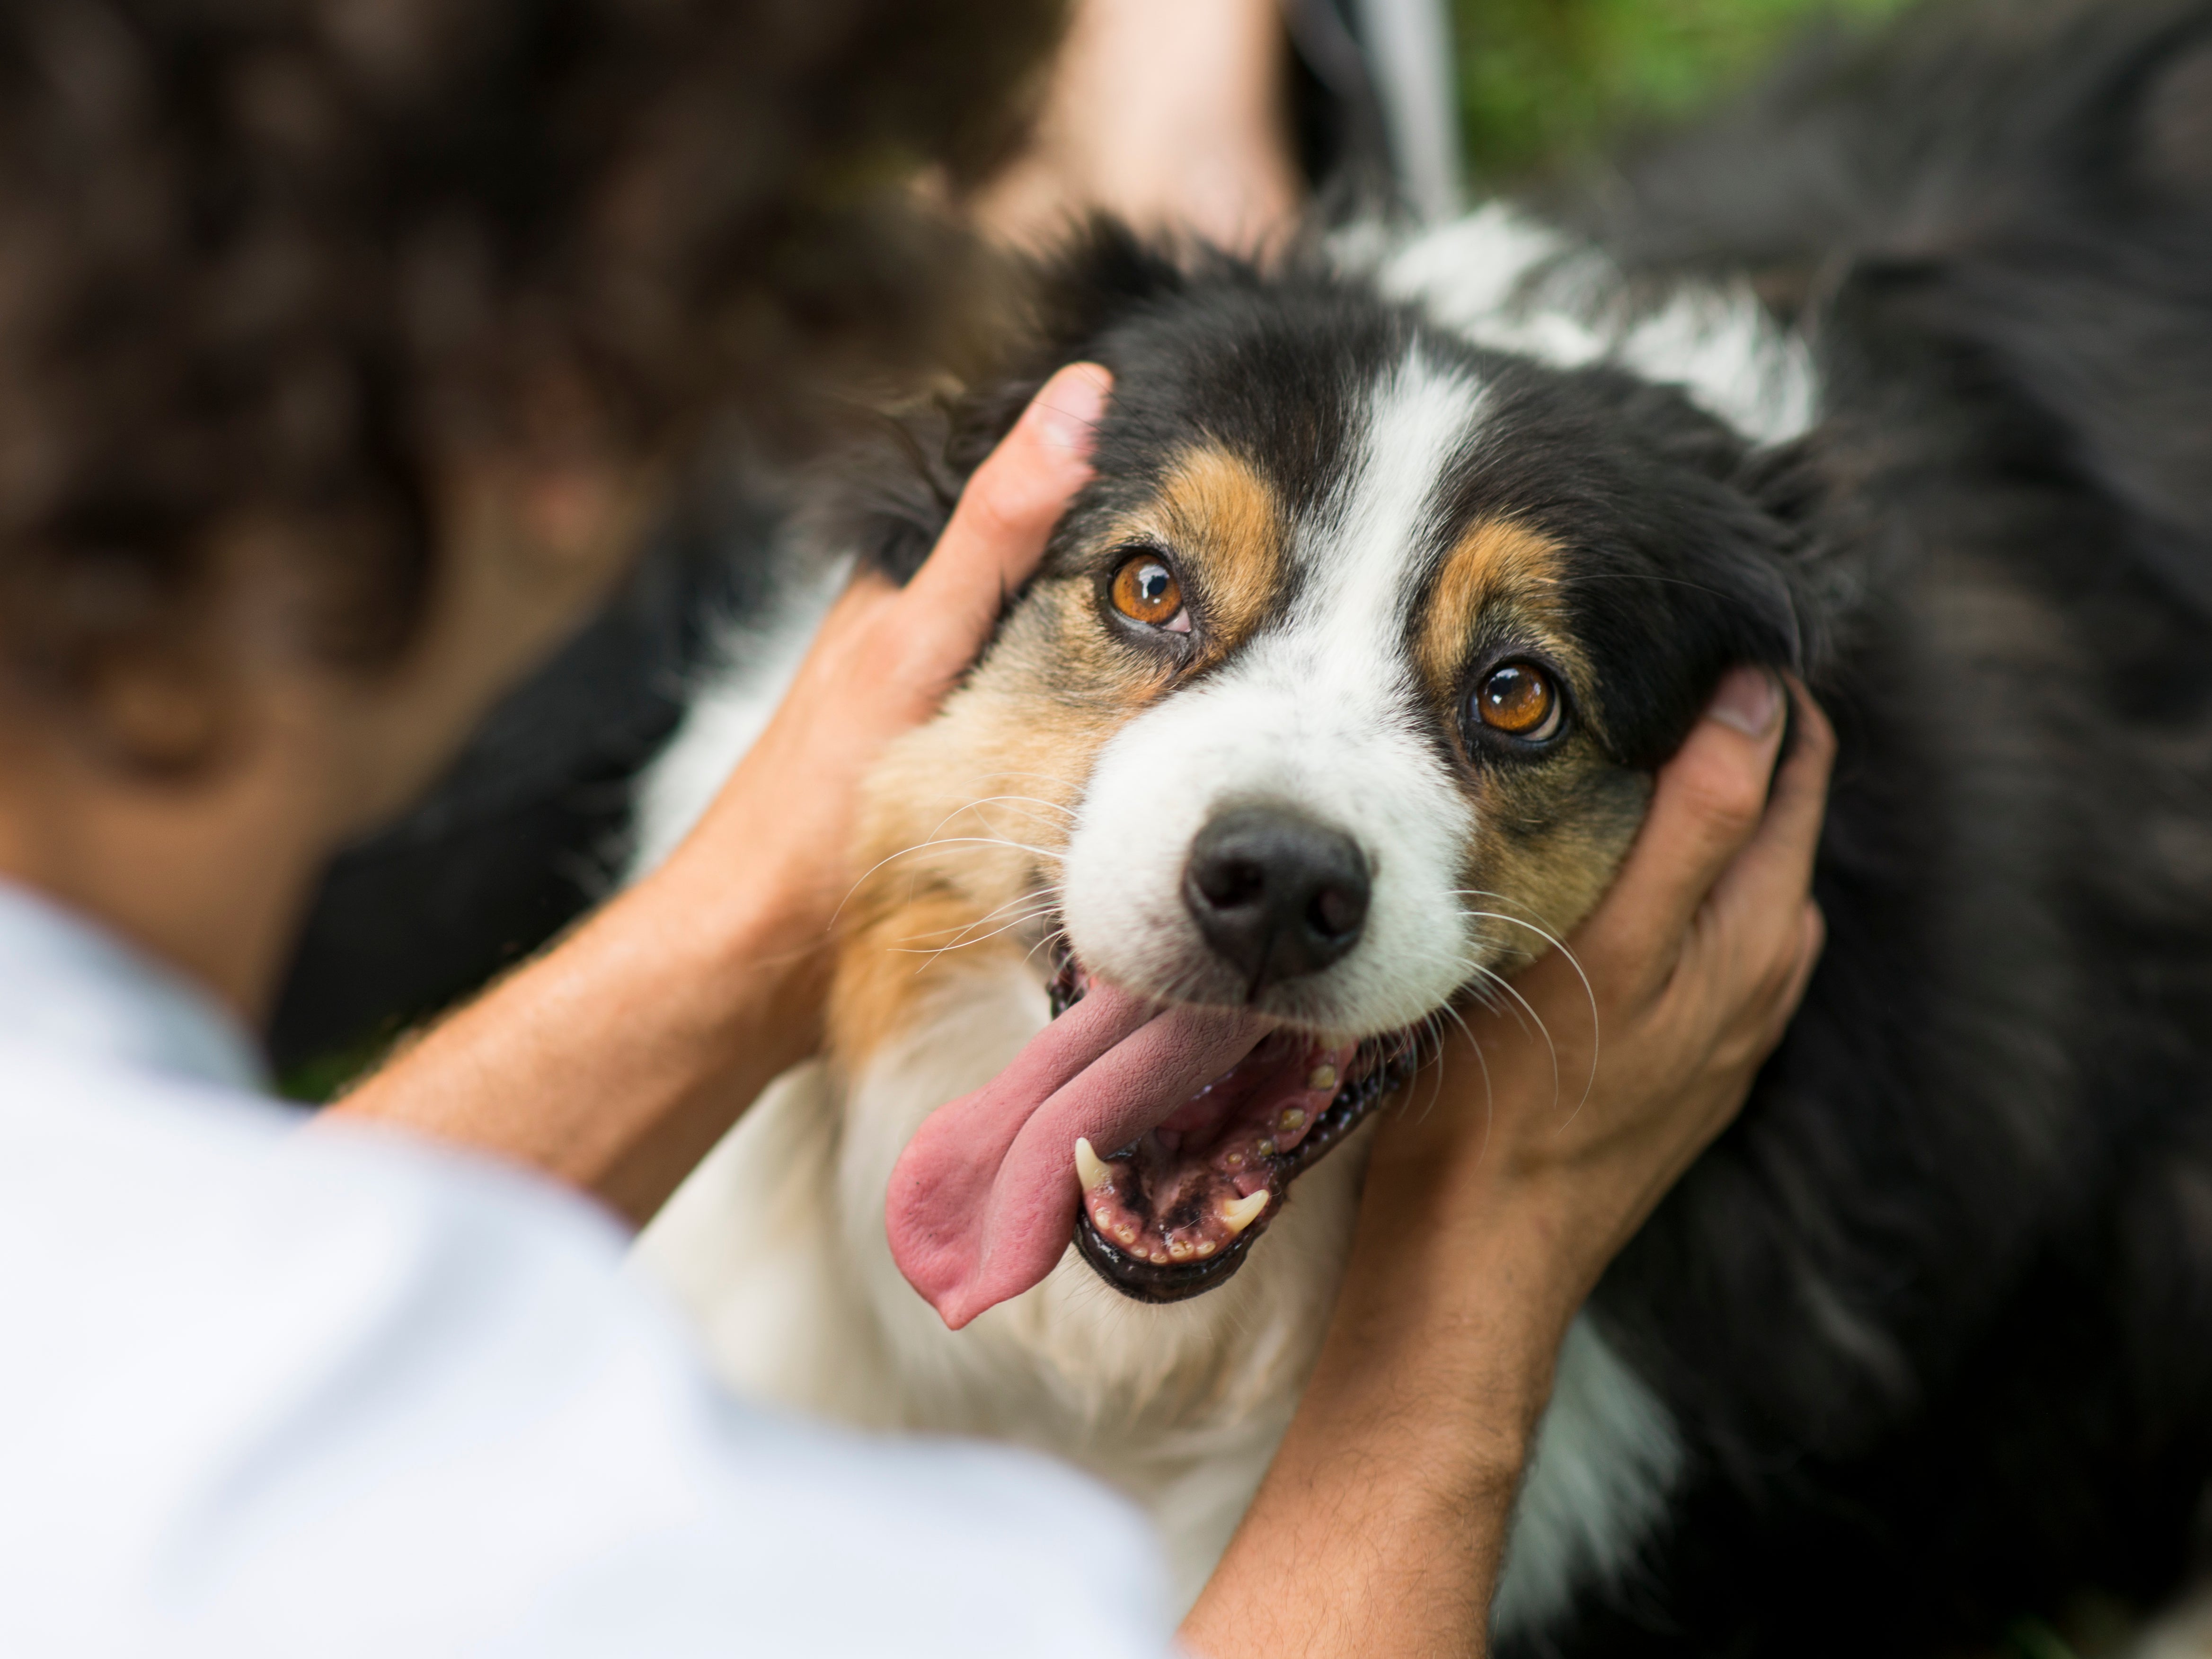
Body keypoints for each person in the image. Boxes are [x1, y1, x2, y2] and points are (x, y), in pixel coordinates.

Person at [0, 3, 1833, 1655]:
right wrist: (1472, 1303)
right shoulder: (711, 1562)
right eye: (1147, 591)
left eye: (1506, 702)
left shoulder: (124, 1291)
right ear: (552, 429)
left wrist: (740, 911)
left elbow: (237, 1347)